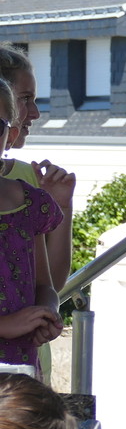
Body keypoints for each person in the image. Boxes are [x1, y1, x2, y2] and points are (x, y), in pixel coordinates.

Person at [0, 79, 62, 373]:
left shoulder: (30, 203)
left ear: (10, 135)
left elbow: (44, 286)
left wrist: (46, 313)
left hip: (19, 374)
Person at [0, 47, 75, 291]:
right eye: (25, 99)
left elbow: (50, 284)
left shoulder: (30, 181)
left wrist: (62, 206)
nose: (35, 113)